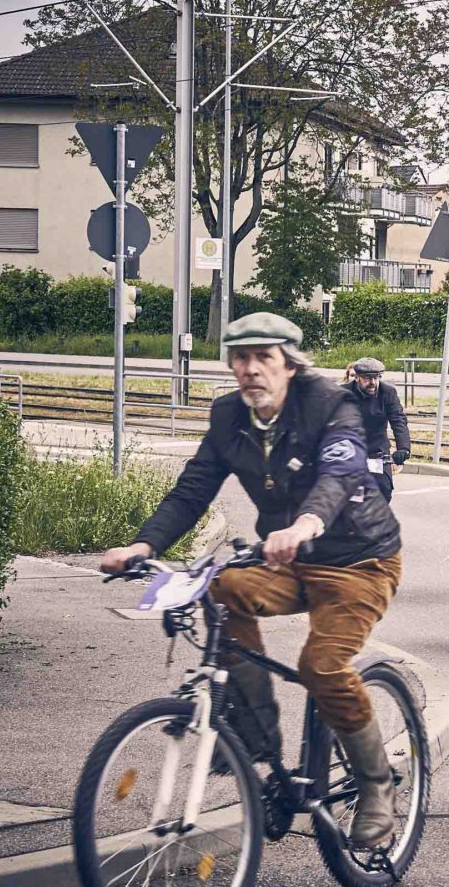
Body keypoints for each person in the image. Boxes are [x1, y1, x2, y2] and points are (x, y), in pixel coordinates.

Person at [99, 314, 404, 850]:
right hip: (287, 562)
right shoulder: (229, 415)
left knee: (321, 666)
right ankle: (257, 738)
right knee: (222, 590)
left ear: (290, 364)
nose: (251, 369)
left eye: (264, 357)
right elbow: (193, 489)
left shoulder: (331, 403)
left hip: (359, 561)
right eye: (241, 358)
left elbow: (339, 474)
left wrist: (306, 524)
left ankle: (377, 784)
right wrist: (143, 546)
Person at [346, 357, 412, 500]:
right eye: (368, 378)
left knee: (383, 489)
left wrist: (403, 448)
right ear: (357, 377)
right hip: (350, 449)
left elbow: (398, 420)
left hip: (377, 451)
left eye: (376, 378)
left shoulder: (387, 392)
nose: (373, 382)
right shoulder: (343, 393)